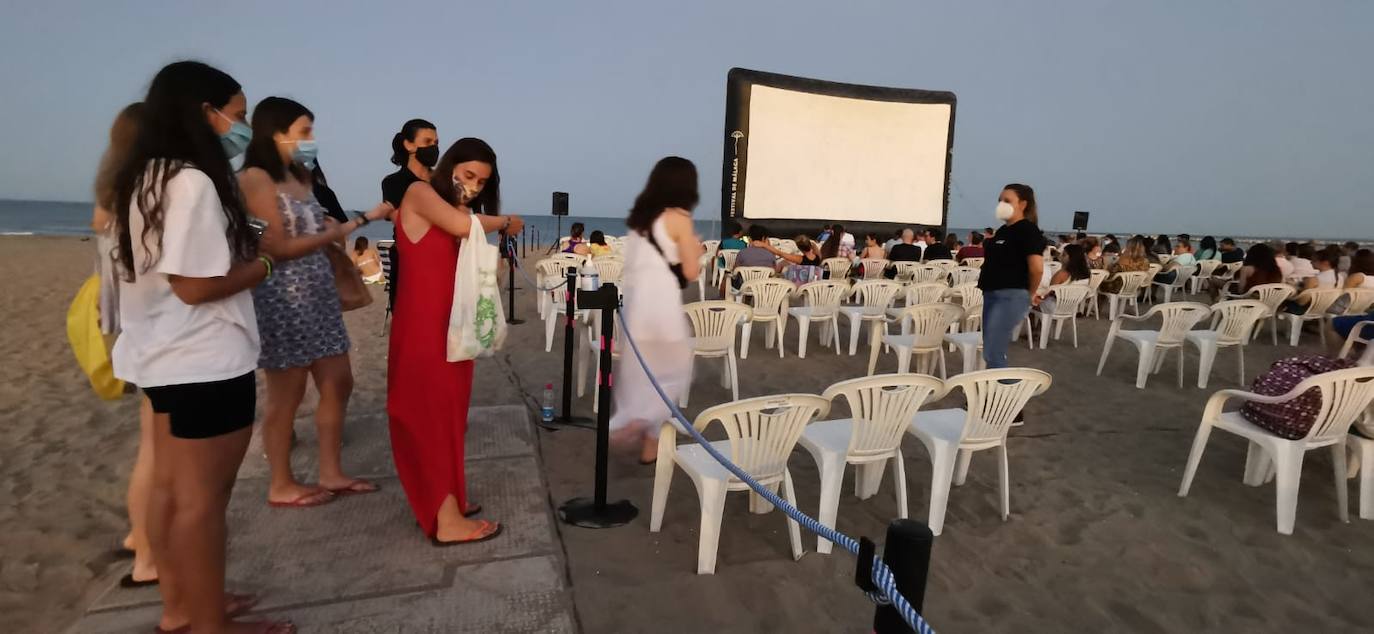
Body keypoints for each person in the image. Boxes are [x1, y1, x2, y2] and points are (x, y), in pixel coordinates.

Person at [110, 61, 293, 633]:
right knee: (202, 504)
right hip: (204, 359)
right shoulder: (189, 181)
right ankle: (210, 623)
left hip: (160, 357)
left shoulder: (143, 176)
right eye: (235, 116)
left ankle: (183, 606)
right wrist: (261, 264)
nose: (238, 129)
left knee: (171, 494)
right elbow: (195, 286)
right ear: (202, 113)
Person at [239, 97, 392, 509]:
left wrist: (331, 228)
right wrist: (356, 223)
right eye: (304, 131)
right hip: (282, 298)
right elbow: (277, 247)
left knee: (338, 380)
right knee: (286, 394)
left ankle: (330, 470)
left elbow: (317, 234)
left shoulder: (302, 178)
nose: (311, 140)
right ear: (275, 133)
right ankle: (281, 482)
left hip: (319, 293)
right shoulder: (255, 178)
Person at [388, 137, 523, 545]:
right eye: (468, 175)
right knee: (428, 416)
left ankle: (448, 499)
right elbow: (464, 227)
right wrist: (503, 222)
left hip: (455, 329)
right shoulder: (419, 192)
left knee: (449, 416)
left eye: (482, 181)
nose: (474, 186)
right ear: (450, 166)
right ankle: (445, 518)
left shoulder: (458, 211)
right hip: (424, 328)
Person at [90, 102, 162, 588]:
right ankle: (148, 560)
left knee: (150, 447)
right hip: (160, 336)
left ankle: (140, 538)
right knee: (160, 453)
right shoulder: (151, 194)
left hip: (137, 335)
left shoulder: (112, 196)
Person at [609, 157, 704, 463]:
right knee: (676, 373)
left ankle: (648, 444)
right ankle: (637, 422)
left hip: (636, 310)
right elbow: (691, 271)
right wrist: (696, 249)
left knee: (642, 378)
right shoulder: (679, 219)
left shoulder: (639, 222)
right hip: (663, 309)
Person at [978, 183, 1044, 369]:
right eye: (1000, 200)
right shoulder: (1003, 231)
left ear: (1022, 204)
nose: (1001, 204)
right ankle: (992, 392)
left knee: (993, 350)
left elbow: (1037, 268)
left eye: (1007, 200)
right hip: (991, 293)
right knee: (991, 348)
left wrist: (1029, 294)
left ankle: (1005, 392)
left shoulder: (1028, 230)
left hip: (1011, 295)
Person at [381, 119, 439, 316]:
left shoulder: (444, 183)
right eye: (428, 141)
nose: (433, 147)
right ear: (409, 145)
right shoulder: (394, 183)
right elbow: (402, 223)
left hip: (443, 263)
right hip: (409, 266)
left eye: (436, 143)